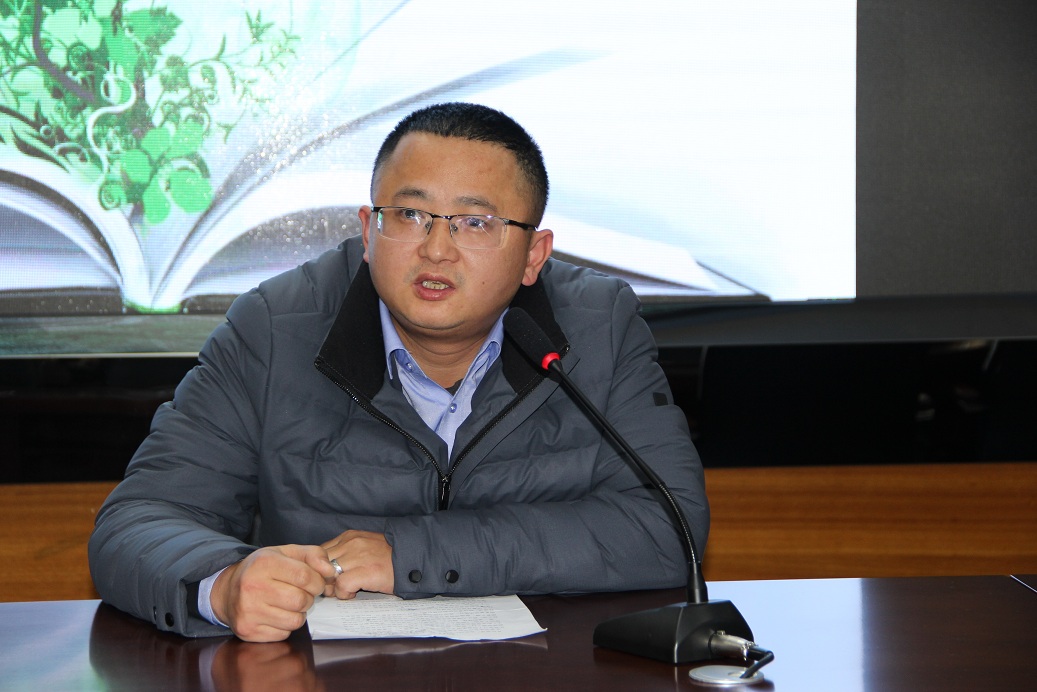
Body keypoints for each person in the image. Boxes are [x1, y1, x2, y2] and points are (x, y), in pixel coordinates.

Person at [89, 102, 708, 642]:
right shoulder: (275, 329)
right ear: (368, 231)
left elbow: (668, 526)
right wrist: (223, 584)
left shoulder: (598, 328)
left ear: (533, 256)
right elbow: (137, 522)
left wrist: (409, 554)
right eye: (409, 215)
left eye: (475, 223)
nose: (436, 249)